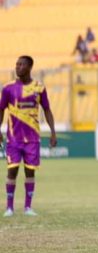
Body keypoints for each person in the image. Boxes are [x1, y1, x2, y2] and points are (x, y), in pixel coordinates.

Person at [0, 56, 57, 217]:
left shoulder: (39, 88)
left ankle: (27, 207)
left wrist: (53, 132)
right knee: (12, 171)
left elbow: (47, 109)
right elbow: (1, 109)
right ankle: (9, 208)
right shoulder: (8, 88)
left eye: (21, 64)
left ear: (29, 67)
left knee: (30, 172)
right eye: (16, 64)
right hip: (13, 139)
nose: (17, 67)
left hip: (32, 139)